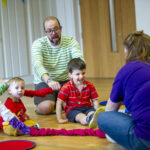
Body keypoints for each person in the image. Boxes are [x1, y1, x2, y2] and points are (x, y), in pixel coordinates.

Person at [97, 31, 150, 150]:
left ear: (129, 50)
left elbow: (110, 111)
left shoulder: (127, 70)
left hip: (145, 139)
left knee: (103, 118)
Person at [32, 16, 84, 115]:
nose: (53, 33)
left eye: (56, 29)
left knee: (79, 104)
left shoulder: (71, 41)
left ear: (60, 28)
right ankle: (53, 101)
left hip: (66, 81)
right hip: (45, 82)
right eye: (49, 30)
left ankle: (58, 100)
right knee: (46, 108)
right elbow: (37, 65)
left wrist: (76, 78)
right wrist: (49, 80)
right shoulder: (38, 44)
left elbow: (79, 60)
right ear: (45, 32)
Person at [56, 58, 102, 126]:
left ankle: (93, 118)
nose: (81, 76)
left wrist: (97, 112)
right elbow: (59, 103)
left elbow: (95, 100)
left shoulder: (90, 85)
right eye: (77, 74)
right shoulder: (66, 87)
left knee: (92, 113)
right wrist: (59, 118)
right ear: (70, 75)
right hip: (72, 110)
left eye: (83, 73)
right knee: (80, 116)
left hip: (87, 108)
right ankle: (87, 120)